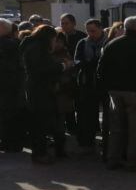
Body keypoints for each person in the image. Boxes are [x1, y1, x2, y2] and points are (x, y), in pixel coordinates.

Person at [96, 16, 136, 171]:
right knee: (135, 128)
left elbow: (101, 69)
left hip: (115, 91)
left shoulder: (112, 44)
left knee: (116, 127)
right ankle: (133, 161)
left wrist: (108, 86)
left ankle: (113, 159)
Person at [20, 24, 65, 164]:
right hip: (40, 90)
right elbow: (43, 69)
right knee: (40, 123)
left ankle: (40, 153)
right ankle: (40, 154)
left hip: (35, 88)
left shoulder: (30, 45)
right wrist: (62, 66)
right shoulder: (38, 49)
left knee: (38, 122)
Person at [73, 19, 108, 156]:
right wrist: (88, 64)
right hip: (87, 83)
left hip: (103, 84)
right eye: (88, 31)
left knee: (108, 115)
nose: (90, 34)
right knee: (86, 114)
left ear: (100, 29)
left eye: (93, 31)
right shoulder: (83, 43)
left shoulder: (107, 42)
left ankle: (107, 141)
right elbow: (77, 60)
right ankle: (86, 142)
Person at [0, 19, 24, 152]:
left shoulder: (6, 44)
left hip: (6, 85)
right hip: (14, 85)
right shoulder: (17, 43)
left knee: (6, 116)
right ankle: (14, 143)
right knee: (12, 116)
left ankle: (8, 142)